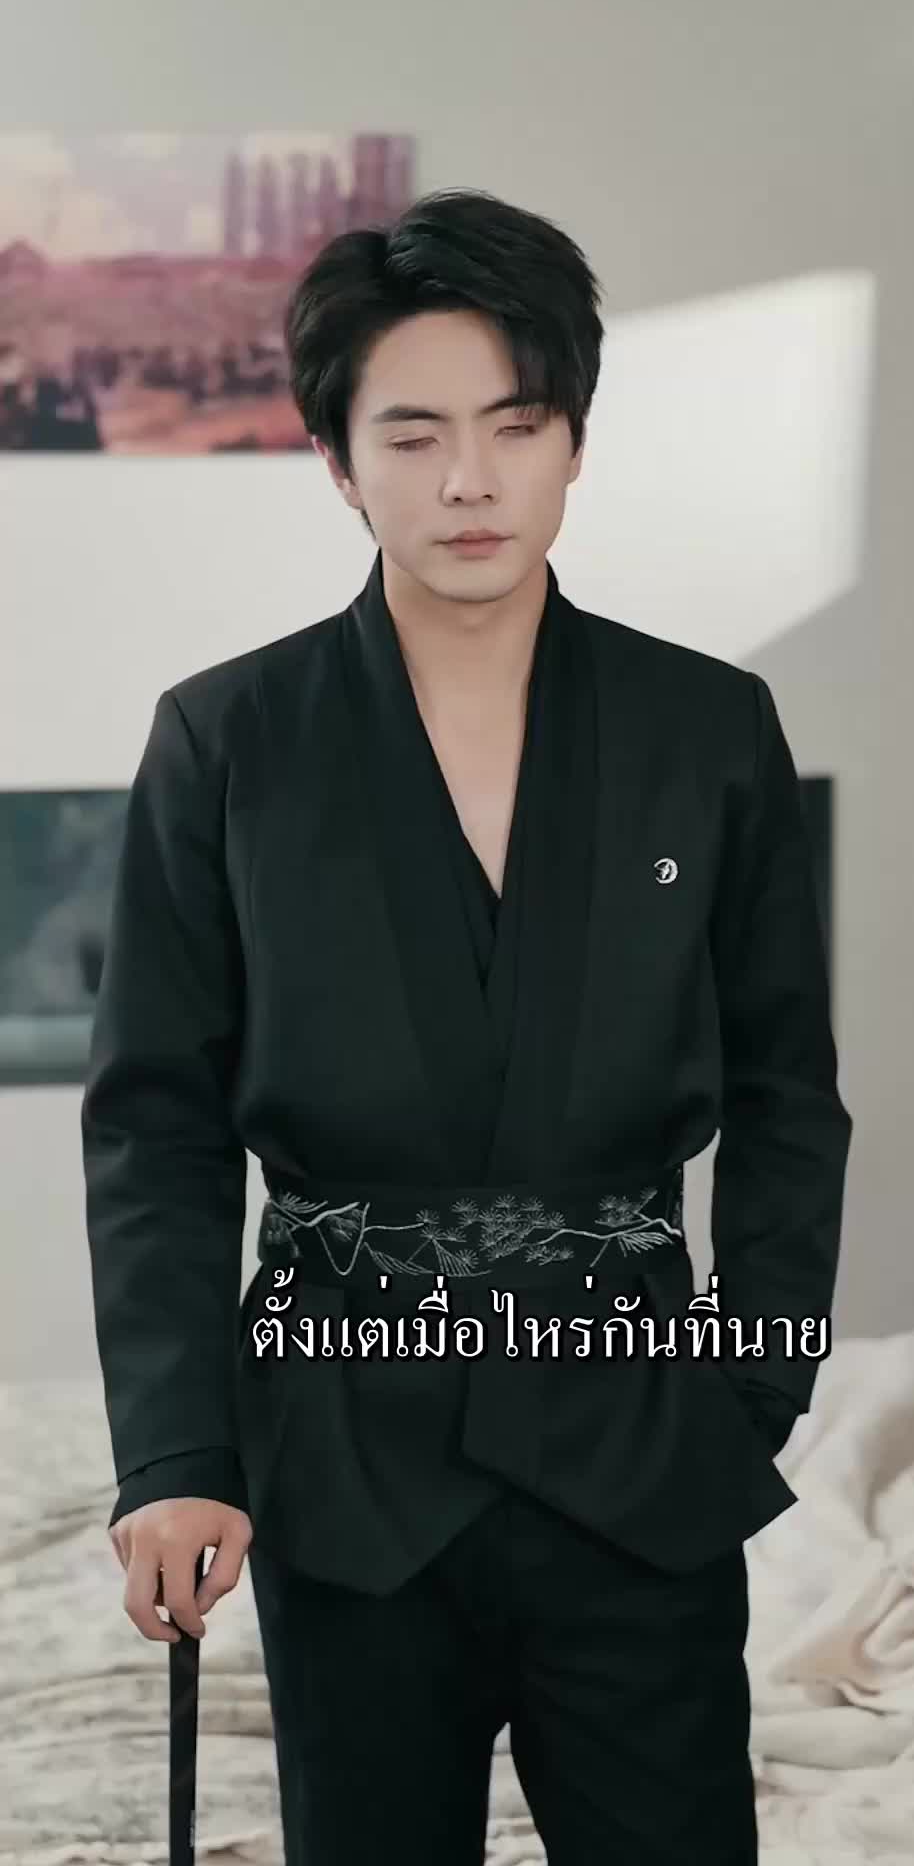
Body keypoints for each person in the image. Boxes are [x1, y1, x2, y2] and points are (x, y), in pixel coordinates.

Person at [83, 187, 853, 1864]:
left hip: (643, 1442)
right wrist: (178, 1454)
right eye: (414, 435)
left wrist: (758, 1380)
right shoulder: (228, 743)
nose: (470, 481)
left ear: (574, 440)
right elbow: (155, 1124)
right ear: (338, 463)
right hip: (343, 1456)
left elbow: (791, 1092)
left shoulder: (709, 730)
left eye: (515, 425)